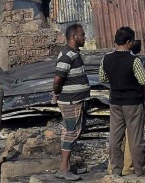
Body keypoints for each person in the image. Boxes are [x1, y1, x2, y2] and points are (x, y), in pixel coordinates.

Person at [100, 27, 145, 177]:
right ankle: (139, 169)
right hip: (133, 103)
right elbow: (143, 80)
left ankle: (116, 169)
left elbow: (103, 78)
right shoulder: (134, 60)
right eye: (133, 41)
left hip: (115, 102)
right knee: (135, 139)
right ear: (129, 42)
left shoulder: (106, 59)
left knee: (115, 138)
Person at [53, 24, 89, 181]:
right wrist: (56, 92)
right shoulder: (67, 55)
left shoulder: (74, 53)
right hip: (71, 101)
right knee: (71, 132)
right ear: (74, 37)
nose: (84, 37)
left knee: (71, 131)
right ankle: (63, 169)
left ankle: (67, 166)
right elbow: (57, 79)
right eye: (82, 35)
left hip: (76, 100)